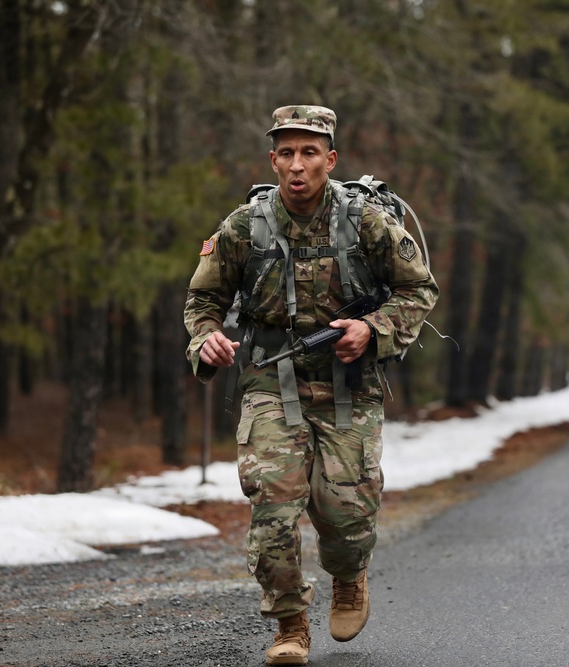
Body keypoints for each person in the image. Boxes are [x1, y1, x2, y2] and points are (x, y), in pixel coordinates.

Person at [183, 105, 438, 666]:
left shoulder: (364, 222)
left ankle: (348, 577)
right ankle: (290, 626)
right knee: (272, 508)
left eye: (310, 153)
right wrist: (206, 340)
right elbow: (203, 301)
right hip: (270, 382)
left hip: (349, 386)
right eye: (287, 153)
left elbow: (418, 290)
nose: (298, 165)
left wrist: (372, 330)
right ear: (273, 159)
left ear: (330, 159)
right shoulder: (244, 226)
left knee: (345, 517)